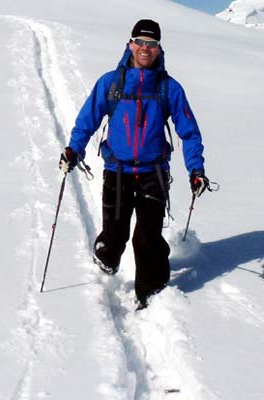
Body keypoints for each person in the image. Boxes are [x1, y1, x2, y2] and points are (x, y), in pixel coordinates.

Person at [60, 19, 209, 309]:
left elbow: (189, 131)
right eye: (140, 42)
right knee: (115, 234)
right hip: (117, 171)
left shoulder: (169, 88)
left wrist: (196, 169)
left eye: (151, 44)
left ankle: (151, 294)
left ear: (159, 49)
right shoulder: (110, 82)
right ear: (130, 44)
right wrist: (73, 150)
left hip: (153, 172)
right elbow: (86, 121)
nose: (145, 48)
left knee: (147, 237)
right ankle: (105, 259)